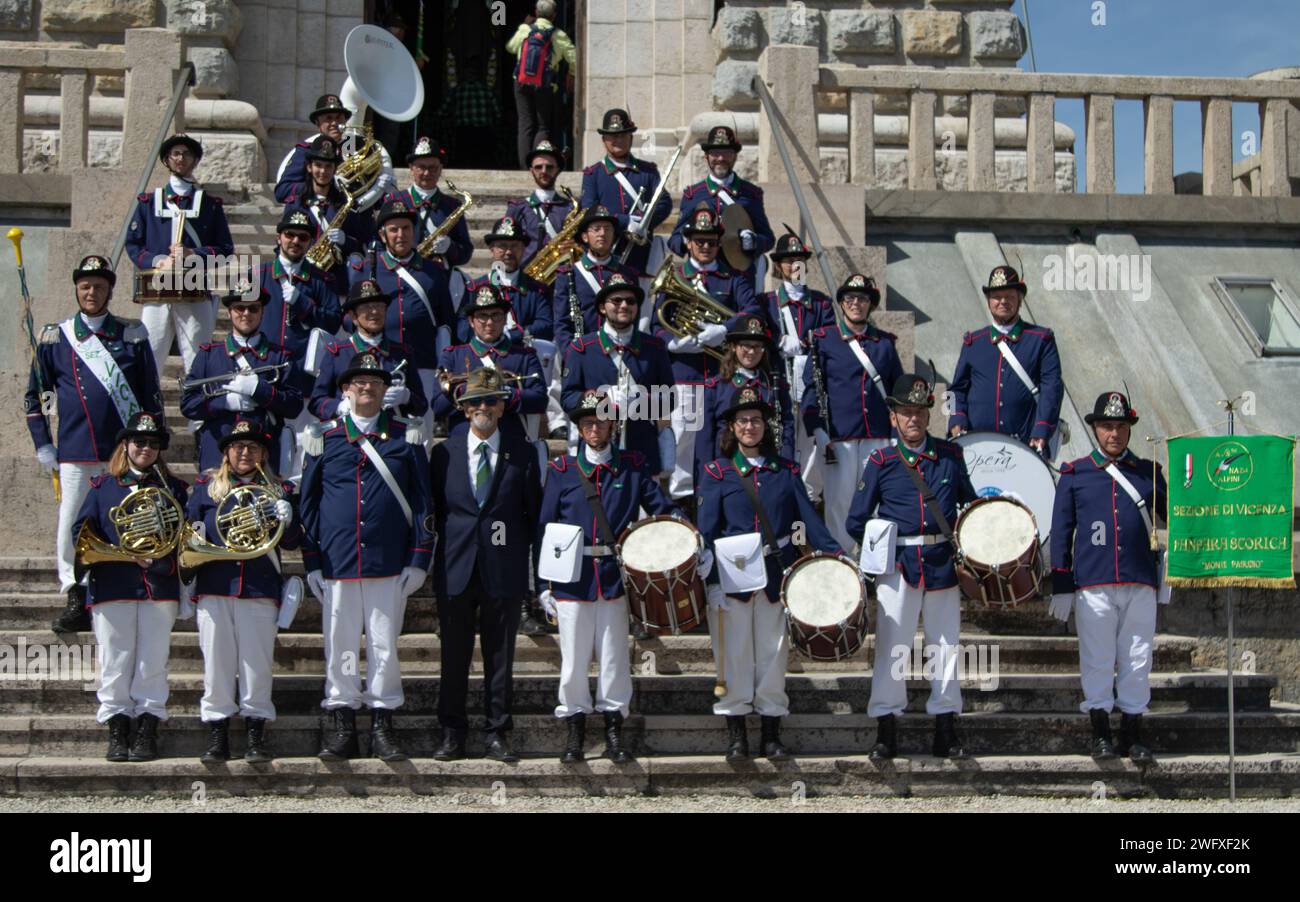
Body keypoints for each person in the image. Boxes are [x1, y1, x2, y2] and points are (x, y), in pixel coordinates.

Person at [300, 352, 433, 762]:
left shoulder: (404, 438)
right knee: (339, 644)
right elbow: (308, 506)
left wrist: (418, 558)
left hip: (387, 560)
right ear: (345, 390)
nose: (367, 388)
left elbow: (424, 504)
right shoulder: (324, 439)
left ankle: (382, 724)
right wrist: (312, 563)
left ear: (384, 391)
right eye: (359, 382)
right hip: (338, 560)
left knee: (383, 646)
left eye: (375, 382)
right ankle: (342, 725)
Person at [536, 391, 680, 764]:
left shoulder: (631, 467)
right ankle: (575, 729)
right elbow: (545, 528)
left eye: (600, 420)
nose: (594, 428)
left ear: (613, 425)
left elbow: (663, 510)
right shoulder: (563, 471)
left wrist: (686, 537)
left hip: (615, 578)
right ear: (579, 429)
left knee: (615, 658)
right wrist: (543, 586)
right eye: (586, 422)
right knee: (573, 660)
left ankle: (615, 729)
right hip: (572, 579)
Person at [698, 388, 840, 761]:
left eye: (756, 420)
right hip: (730, 578)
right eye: (743, 420)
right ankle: (737, 733)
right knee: (734, 654)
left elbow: (809, 520)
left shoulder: (785, 471)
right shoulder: (717, 472)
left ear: (766, 426)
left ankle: (772, 732)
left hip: (776, 573)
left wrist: (836, 554)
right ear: (732, 426)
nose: (749, 427)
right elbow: (708, 531)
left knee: (773, 653)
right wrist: (711, 582)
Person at [845, 374, 979, 761]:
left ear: (928, 414)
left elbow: (969, 506)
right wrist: (879, 550)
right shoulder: (881, 461)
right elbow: (856, 519)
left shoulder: (951, 456)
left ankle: (946, 729)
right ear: (893, 417)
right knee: (892, 647)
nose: (914, 419)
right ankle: (886, 729)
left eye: (920, 412)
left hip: (942, 565)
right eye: (906, 412)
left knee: (946, 648)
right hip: (898, 565)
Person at [27, 255, 163, 635]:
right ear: (77, 289)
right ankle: (75, 592)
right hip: (75, 449)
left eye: (99, 286)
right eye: (86, 285)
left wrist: (153, 443)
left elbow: (149, 395)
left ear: (109, 290)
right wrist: (45, 442)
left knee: (121, 520)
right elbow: (39, 395)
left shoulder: (131, 334)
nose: (92, 292)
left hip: (123, 452)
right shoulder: (56, 337)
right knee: (73, 522)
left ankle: (118, 583)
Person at [429, 369, 543, 763]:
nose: (483, 408)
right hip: (456, 566)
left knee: (500, 657)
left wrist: (534, 577)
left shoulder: (523, 452)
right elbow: (438, 512)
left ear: (503, 406)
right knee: (453, 657)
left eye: (490, 400)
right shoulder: (442, 454)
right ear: (462, 409)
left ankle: (497, 732)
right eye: (474, 401)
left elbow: (532, 516)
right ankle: (452, 733)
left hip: (503, 568)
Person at [1048, 391, 1167, 763]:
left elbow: (1177, 515)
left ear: (1129, 429)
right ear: (1095, 429)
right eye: (1106, 426)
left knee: (1136, 658)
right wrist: (1063, 583)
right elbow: (1061, 529)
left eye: (1120, 426)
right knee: (1098, 659)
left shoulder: (1149, 472)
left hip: (1139, 580)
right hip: (1095, 583)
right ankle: (1100, 731)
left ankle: (1132, 733)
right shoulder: (1075, 473)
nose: (1113, 434)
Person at [72, 412, 188, 762]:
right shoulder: (103, 487)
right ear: (127, 445)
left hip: (158, 586)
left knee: (153, 661)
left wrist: (161, 562)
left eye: (153, 444)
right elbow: (81, 534)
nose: (146, 448)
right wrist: (120, 556)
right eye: (139, 442)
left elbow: (185, 541)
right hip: (113, 586)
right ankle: (118, 730)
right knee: (115, 661)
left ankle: (147, 730)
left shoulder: (175, 490)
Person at [185, 418, 300, 763]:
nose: (245, 453)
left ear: (264, 454)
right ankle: (217, 734)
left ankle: (255, 735)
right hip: (215, 585)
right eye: (238, 447)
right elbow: (192, 534)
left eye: (252, 448)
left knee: (257, 665)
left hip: (258, 586)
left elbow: (293, 542)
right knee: (216, 664)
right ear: (226, 454)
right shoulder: (206, 489)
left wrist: (288, 518)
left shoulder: (279, 491)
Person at [653, 205, 760, 500]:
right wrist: (674, 343)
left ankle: (719, 500)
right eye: (699, 240)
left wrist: (723, 330)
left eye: (711, 241)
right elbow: (655, 327)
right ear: (688, 242)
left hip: (722, 377)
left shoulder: (733, 279)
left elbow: (753, 313)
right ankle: (683, 505)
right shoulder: (677, 277)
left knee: (720, 444)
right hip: (685, 377)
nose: (705, 246)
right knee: (684, 446)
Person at [801, 273, 902, 553]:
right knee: (838, 504)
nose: (856, 303)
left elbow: (896, 391)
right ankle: (844, 564)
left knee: (878, 503)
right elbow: (811, 387)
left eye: (862, 299)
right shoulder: (824, 339)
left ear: (871, 304)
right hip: (839, 437)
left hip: (879, 436)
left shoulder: (885, 343)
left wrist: (897, 434)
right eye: (850, 298)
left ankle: (875, 564)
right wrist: (817, 430)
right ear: (842, 304)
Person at [124, 134, 234, 376]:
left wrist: (193, 253)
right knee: (150, 354)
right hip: (158, 290)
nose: (180, 158)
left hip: (193, 290)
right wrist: (157, 260)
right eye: (175, 153)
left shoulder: (209, 205)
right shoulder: (148, 202)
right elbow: (133, 244)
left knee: (198, 357)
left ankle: (199, 413)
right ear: (166, 159)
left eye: (186, 153)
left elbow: (225, 249)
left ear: (195, 160)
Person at [348, 199, 456, 443]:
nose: (401, 235)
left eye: (406, 228)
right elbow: (350, 321)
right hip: (380, 364)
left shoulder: (433, 271)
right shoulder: (367, 269)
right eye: (394, 229)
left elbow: (446, 320)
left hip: (424, 363)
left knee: (421, 436)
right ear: (382, 234)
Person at [560, 273, 675, 475]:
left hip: (642, 451)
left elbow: (670, 399)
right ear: (602, 307)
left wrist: (641, 400)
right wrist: (599, 400)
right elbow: (568, 399)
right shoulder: (582, 349)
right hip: (596, 451)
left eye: (630, 301)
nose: (624, 305)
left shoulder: (655, 347)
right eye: (616, 300)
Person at [180, 290, 303, 473]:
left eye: (253, 308)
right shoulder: (208, 354)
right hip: (217, 452)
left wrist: (259, 390)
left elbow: (294, 406)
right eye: (239, 308)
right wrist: (225, 402)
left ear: (262, 312)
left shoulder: (279, 356)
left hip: (263, 453)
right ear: (229, 312)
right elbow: (189, 405)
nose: (246, 314)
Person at [949, 265, 1064, 457]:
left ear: (1020, 299)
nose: (1003, 301)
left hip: (1026, 444)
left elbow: (1052, 389)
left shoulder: (1041, 339)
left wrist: (1042, 429)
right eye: (996, 297)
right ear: (988, 301)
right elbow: (954, 391)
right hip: (978, 447)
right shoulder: (973, 342)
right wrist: (955, 418)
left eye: (1009, 296)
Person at [761, 229, 836, 498]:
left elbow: (829, 340)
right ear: (779, 266)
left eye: (800, 260)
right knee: (781, 445)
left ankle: (806, 510)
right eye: (789, 260)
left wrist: (807, 344)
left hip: (811, 387)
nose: (795, 265)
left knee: (811, 450)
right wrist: (778, 341)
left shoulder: (822, 304)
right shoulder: (767, 302)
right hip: (778, 383)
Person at [432, 283, 547, 442]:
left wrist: (503, 392)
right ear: (471, 321)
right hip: (464, 442)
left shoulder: (525, 356)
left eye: (496, 315)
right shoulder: (453, 355)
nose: (489, 322)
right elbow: (437, 407)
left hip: (511, 442)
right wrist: (467, 390)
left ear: (504, 319)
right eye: (482, 316)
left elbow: (540, 400)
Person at [694, 313, 794, 490]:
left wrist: (785, 467)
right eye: (746, 345)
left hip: (769, 472)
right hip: (727, 473)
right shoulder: (715, 387)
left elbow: (787, 428)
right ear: (733, 347)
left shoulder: (776, 386)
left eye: (757, 346)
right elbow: (704, 442)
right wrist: (706, 483)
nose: (751, 351)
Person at [310, 278, 428, 423]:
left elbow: (422, 406)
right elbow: (316, 402)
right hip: (348, 436)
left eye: (379, 306)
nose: (374, 312)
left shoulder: (402, 353)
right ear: (353, 316)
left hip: (392, 437)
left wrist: (407, 397)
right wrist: (339, 406)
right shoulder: (337, 353)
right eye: (366, 307)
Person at [670, 125, 774, 287]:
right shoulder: (693, 194)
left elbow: (768, 238)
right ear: (706, 157)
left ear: (735, 156)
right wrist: (686, 239)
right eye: (715, 153)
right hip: (703, 278)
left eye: (726, 152)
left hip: (740, 278)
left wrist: (753, 242)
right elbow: (674, 241)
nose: (720, 158)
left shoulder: (751, 194)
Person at [580, 108, 672, 280]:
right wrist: (624, 221)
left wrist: (644, 222)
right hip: (605, 255)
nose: (618, 140)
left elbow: (664, 203)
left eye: (623, 135)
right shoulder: (593, 174)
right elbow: (588, 211)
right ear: (604, 140)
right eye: (612, 136)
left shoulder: (648, 171)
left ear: (631, 138)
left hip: (640, 256)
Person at [281, 136, 371, 301]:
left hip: (336, 283)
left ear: (335, 169)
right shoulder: (296, 202)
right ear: (309, 167)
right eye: (318, 165)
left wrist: (346, 241)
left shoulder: (346, 202)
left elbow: (361, 243)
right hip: (303, 280)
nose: (323, 171)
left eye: (328, 166)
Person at [274, 93, 395, 211]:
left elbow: (373, 193)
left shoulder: (360, 146)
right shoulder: (306, 150)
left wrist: (384, 189)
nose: (334, 123)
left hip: (360, 223)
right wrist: (324, 184)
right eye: (328, 118)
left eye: (338, 118)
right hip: (324, 222)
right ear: (318, 123)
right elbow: (282, 191)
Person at [551, 204, 640, 350]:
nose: (602, 233)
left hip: (619, 351)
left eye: (608, 228)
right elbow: (561, 322)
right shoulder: (568, 274)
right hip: (583, 352)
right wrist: (570, 354)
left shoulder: (628, 274)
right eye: (596, 229)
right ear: (585, 236)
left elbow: (633, 318)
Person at [458, 215, 554, 345]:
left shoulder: (537, 291)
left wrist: (514, 335)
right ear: (492, 250)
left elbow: (546, 324)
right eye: (503, 246)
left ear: (523, 249)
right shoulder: (473, 288)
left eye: (514, 246)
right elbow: (462, 328)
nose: (509, 252)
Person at [382, 136, 473, 270]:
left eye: (433, 168)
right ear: (411, 168)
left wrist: (450, 247)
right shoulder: (394, 199)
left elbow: (465, 254)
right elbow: (379, 242)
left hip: (440, 277)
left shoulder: (452, 206)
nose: (427, 173)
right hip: (403, 274)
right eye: (421, 167)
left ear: (441, 169)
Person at [507, 0, 577, 168]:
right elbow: (574, 57)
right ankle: (538, 164)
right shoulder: (558, 35)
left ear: (536, 13)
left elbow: (511, 47)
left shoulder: (525, 30)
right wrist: (571, 74)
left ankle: (525, 167)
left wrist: (523, 26)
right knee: (543, 126)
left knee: (525, 123)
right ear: (554, 15)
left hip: (521, 83)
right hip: (544, 85)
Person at [506, 139, 575, 267]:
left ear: (557, 170)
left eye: (549, 167)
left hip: (560, 277)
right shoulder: (517, 208)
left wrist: (573, 246)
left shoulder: (570, 207)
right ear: (531, 170)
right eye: (538, 167)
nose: (543, 171)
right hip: (526, 279)